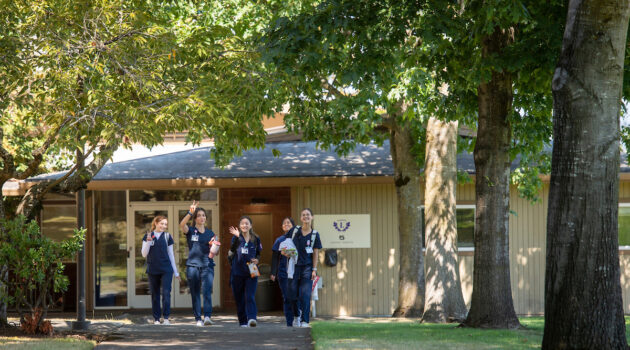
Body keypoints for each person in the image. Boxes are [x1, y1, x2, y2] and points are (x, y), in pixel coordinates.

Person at [179, 200, 218, 327]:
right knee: (195, 293)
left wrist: (214, 246)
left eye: (203, 215)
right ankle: (198, 319)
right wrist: (190, 212)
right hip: (193, 266)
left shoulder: (210, 233)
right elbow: (181, 224)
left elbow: (214, 253)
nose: (202, 217)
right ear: (195, 218)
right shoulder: (190, 231)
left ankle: (207, 317)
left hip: (207, 265)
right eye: (199, 215)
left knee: (207, 291)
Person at [141, 215, 180, 325]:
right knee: (155, 294)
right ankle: (157, 319)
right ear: (156, 223)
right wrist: (148, 241)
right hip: (152, 269)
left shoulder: (167, 236)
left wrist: (176, 272)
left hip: (166, 269)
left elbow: (171, 255)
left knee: (166, 293)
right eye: (162, 223)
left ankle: (166, 318)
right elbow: (144, 254)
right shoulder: (148, 236)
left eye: (165, 224)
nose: (164, 226)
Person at [289, 208, 322, 328]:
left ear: (312, 217)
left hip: (307, 268)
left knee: (305, 294)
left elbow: (316, 253)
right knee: (292, 294)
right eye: (303, 215)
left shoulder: (314, 234)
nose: (305, 217)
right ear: (301, 218)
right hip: (294, 267)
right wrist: (285, 252)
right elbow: (287, 245)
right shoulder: (295, 231)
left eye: (308, 215)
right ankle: (297, 316)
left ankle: (305, 321)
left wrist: (314, 269)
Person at [228, 216, 262, 328]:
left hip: (252, 268)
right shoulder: (235, 238)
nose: (244, 225)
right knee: (239, 298)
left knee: (250, 296)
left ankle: (252, 318)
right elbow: (231, 252)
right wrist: (239, 237)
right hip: (237, 270)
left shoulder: (255, 238)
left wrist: (257, 260)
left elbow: (258, 254)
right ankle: (243, 321)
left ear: (251, 226)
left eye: (247, 223)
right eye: (242, 223)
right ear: (239, 226)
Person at [270, 217, 300, 327]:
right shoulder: (279, 240)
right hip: (282, 272)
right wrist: (273, 272)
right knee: (287, 297)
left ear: (293, 225)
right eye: (284, 223)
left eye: (289, 223)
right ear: (282, 226)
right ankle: (289, 322)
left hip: (296, 272)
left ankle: (297, 316)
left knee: (294, 296)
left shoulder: (297, 238)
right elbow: (274, 257)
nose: (286, 224)